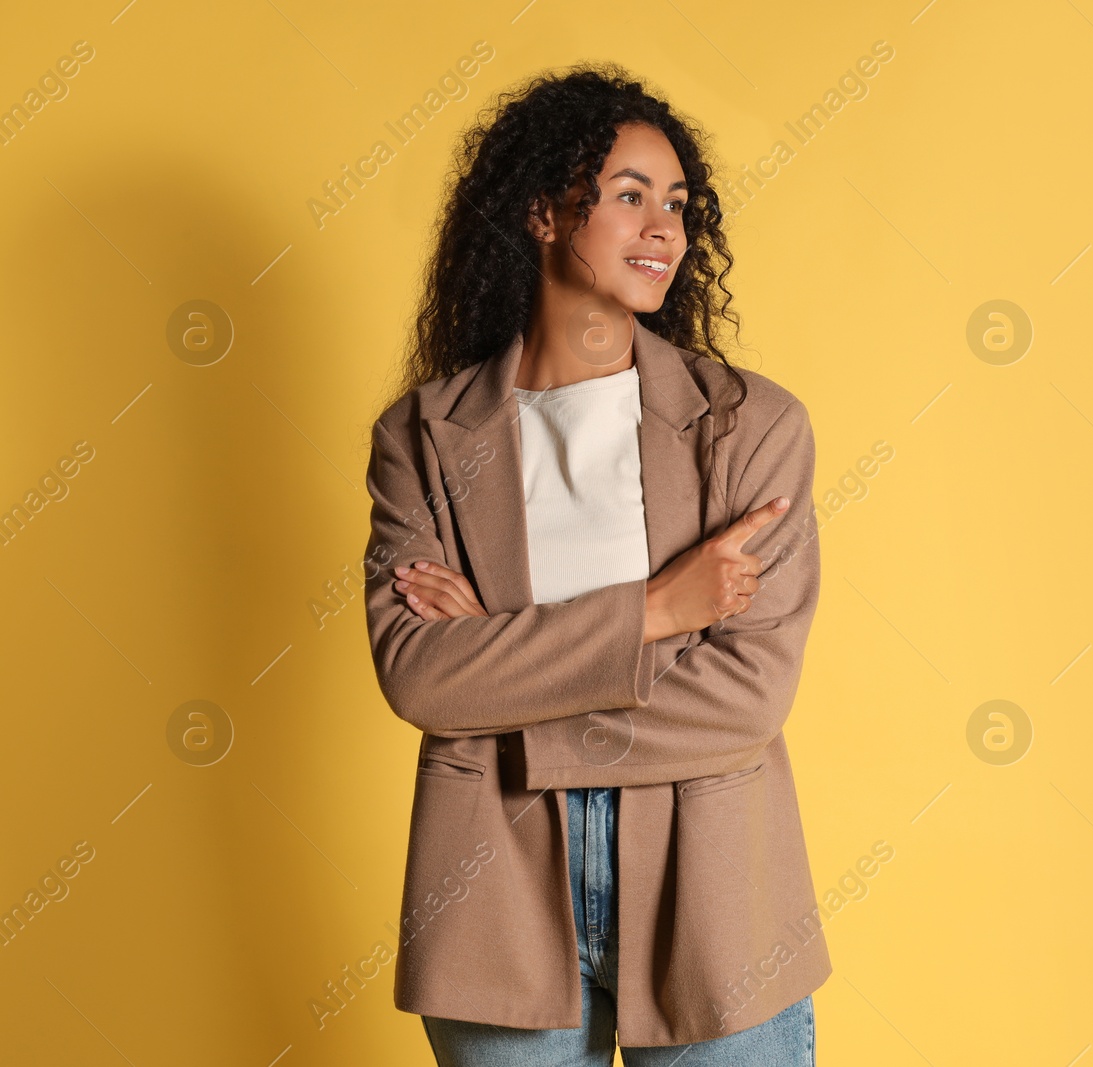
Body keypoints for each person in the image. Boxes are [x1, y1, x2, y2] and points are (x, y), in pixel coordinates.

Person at [361, 63, 828, 1065]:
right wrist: (657, 611)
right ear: (540, 210)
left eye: (676, 204)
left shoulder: (751, 427)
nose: (664, 228)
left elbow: (746, 697)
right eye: (627, 196)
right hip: (492, 883)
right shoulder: (425, 438)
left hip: (715, 887)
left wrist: (499, 670)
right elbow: (418, 674)